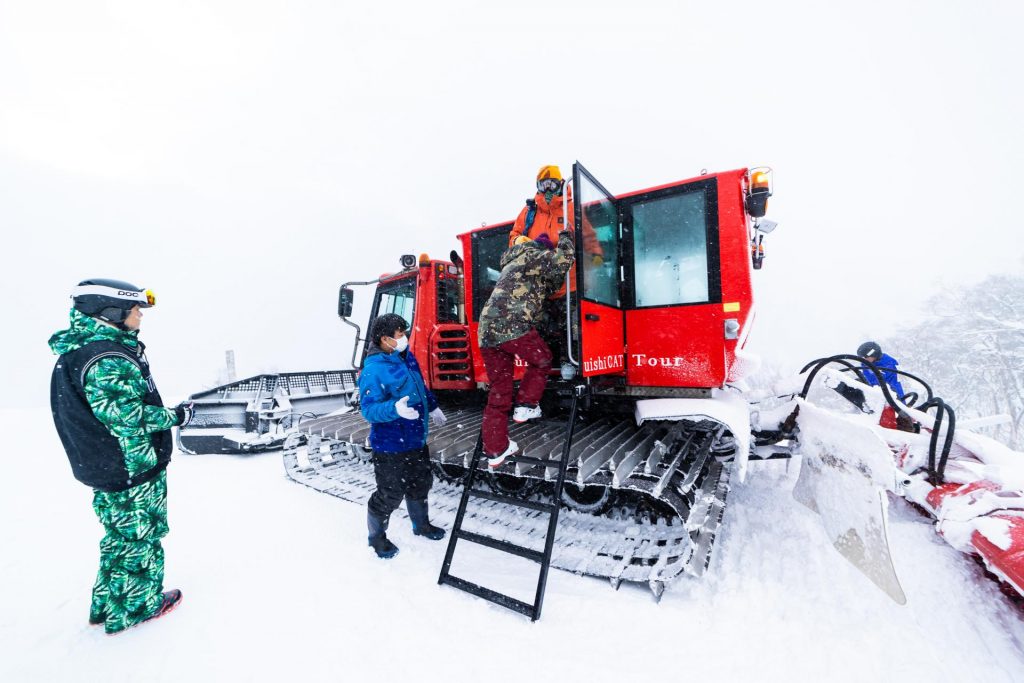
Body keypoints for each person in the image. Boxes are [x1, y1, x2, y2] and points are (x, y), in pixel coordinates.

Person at [49, 279, 191, 635]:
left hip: (106, 465)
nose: (140, 315)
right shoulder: (108, 357)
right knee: (140, 537)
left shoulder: (82, 351)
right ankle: (137, 607)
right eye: (135, 309)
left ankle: (106, 605)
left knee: (120, 537)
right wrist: (177, 416)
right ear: (109, 312)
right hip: (130, 467)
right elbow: (126, 418)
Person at [478, 231, 575, 469]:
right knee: (542, 359)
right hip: (511, 324)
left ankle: (495, 449)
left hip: (487, 331)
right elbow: (564, 259)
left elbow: (544, 287)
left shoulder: (512, 265)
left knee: (499, 392)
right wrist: (566, 237)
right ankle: (526, 406)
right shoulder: (532, 254)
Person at [358, 313, 448, 559]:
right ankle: (377, 538)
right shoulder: (373, 371)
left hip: (416, 440)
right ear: (386, 339)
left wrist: (433, 405)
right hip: (390, 446)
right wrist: (393, 409)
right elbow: (368, 410)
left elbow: (419, 387)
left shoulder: (406, 358)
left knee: (421, 484)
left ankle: (421, 525)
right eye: (400, 335)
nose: (405, 338)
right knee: (390, 493)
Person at [507, 165, 603, 364]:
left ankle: (571, 365)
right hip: (540, 284)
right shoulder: (529, 211)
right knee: (541, 329)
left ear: (560, 184)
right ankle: (544, 366)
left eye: (552, 183)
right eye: (544, 184)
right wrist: (518, 241)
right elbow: (514, 235)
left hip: (570, 283)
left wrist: (596, 256)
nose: (548, 189)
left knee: (570, 329)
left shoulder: (571, 208)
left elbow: (588, 236)